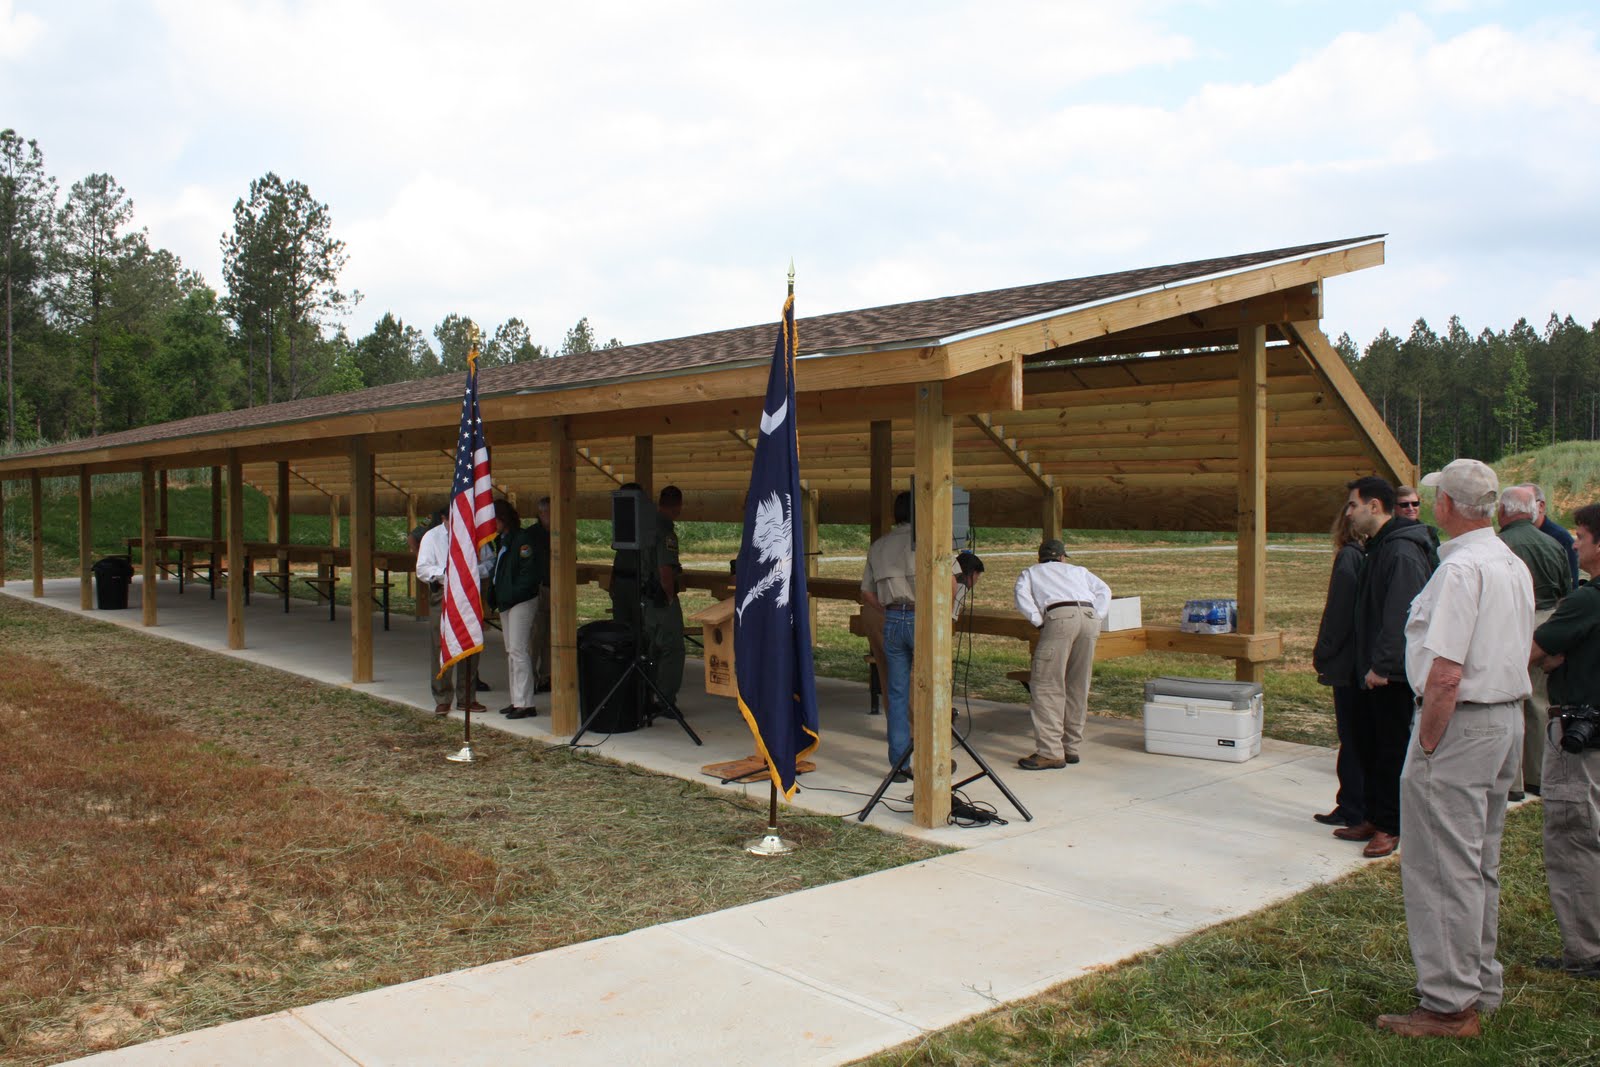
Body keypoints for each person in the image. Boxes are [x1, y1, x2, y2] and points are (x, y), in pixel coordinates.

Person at [1376, 459, 1533, 1039]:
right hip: (1502, 720)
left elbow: (1444, 672)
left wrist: (1430, 741)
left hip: (1460, 723)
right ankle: (1476, 982)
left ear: (1444, 507)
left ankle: (1447, 1005)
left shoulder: (1463, 570)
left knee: (1440, 865)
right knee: (1476, 860)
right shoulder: (1509, 561)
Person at [1339, 475, 1436, 859]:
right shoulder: (1379, 547)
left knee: (1391, 750)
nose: (1348, 513)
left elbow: (1402, 614)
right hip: (1373, 672)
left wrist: (1383, 665)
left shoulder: (1400, 552)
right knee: (1371, 746)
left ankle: (1391, 827)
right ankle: (1375, 817)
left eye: (1353, 505)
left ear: (1374, 507)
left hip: (1391, 676)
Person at [1528, 501, 1600, 981]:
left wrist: (1551, 657)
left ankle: (1586, 951)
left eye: (1581, 536)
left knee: (1575, 838)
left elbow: (1531, 650)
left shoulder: (1587, 600)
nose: (1574, 544)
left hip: (1579, 738)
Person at [1498, 484, 1572, 799]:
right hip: (1547, 621)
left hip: (1513, 623)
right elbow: (1566, 590)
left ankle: (1512, 782)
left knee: (1510, 700)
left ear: (1504, 511)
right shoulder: (1554, 544)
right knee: (1540, 703)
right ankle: (1538, 775)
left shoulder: (1500, 545)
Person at [1012, 539, 1111, 770]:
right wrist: (1098, 615)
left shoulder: (1031, 572)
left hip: (1059, 617)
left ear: (1040, 558)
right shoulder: (1079, 571)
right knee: (1078, 682)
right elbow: (1104, 590)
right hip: (1089, 617)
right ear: (1063, 557)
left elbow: (1021, 596)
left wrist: (1039, 621)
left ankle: (1049, 751)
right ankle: (1070, 747)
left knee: (1047, 684)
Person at [1311, 507, 1366, 827]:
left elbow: (1338, 611)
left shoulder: (1348, 557)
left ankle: (1351, 805)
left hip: (1346, 662)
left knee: (1351, 736)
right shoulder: (1368, 554)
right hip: (1358, 660)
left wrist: (1324, 651)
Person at [414, 509, 487, 716]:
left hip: (468, 595)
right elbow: (422, 569)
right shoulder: (432, 536)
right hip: (444, 593)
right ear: (444, 518)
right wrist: (446, 574)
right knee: (440, 644)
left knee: (470, 643)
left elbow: (489, 563)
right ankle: (442, 697)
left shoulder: (472, 535)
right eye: (452, 519)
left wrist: (470, 572)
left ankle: (467, 697)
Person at [489, 499, 542, 719]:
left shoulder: (522, 541)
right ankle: (516, 699)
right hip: (507, 601)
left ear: (503, 519)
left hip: (520, 600)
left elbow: (528, 575)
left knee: (519, 650)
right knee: (511, 651)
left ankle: (526, 703)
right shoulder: (502, 541)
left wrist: (508, 595)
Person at [643, 485, 686, 711]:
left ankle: (647, 695)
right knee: (673, 649)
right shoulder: (666, 532)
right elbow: (665, 570)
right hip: (660, 598)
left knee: (651, 648)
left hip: (646, 598)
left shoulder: (646, 526)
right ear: (678, 506)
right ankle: (666, 699)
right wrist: (670, 597)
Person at [1526, 483, 1581, 589]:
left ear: (1541, 506)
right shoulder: (1512, 535)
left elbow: (1571, 583)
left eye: (1526, 503)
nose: (1520, 509)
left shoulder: (1561, 538)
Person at [528, 496, 553, 694]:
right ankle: (530, 678)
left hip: (556, 590)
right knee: (535, 635)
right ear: (542, 513)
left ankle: (547, 676)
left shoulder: (560, 533)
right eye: (550, 512)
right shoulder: (531, 535)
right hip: (538, 588)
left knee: (551, 637)